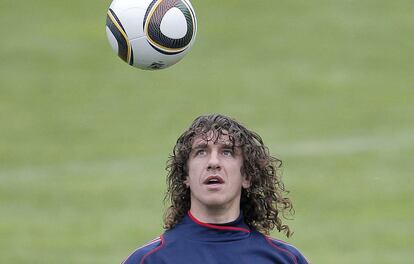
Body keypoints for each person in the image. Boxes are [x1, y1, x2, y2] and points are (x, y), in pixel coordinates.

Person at [122, 114, 309, 264]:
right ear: (186, 175)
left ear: (246, 176)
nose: (213, 162)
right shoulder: (150, 260)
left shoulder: (285, 259)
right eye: (201, 152)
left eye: (227, 152)